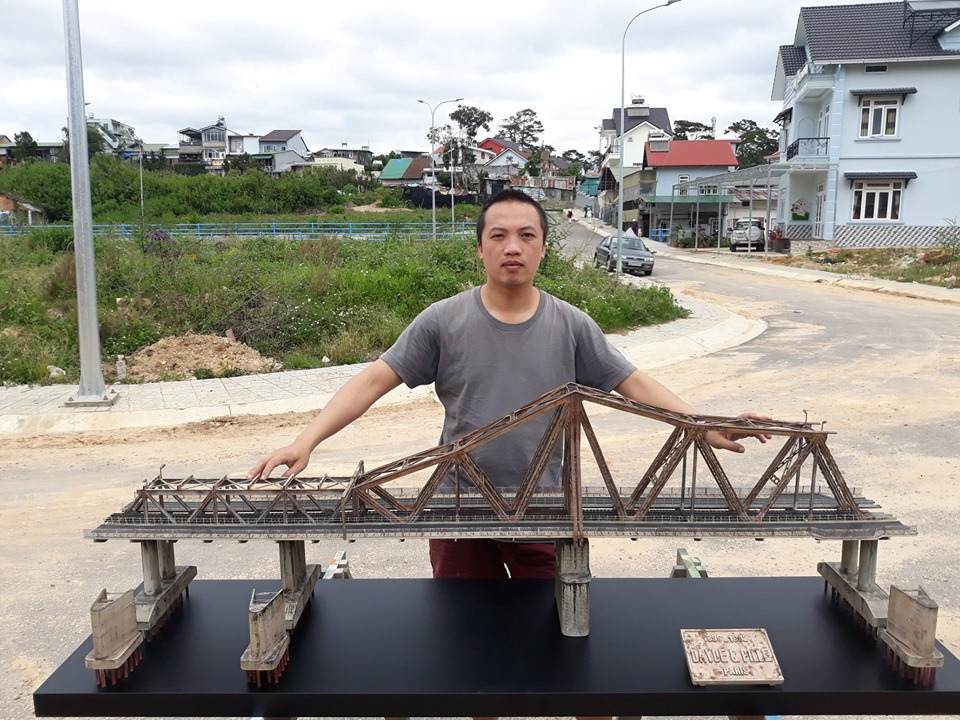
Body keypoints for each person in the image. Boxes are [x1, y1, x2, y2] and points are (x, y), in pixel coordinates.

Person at [248, 189, 768, 580]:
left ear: (544, 249)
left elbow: (632, 383)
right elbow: (371, 381)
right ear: (480, 249)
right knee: (465, 646)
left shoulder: (571, 325)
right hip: (459, 510)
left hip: (544, 511)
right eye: (498, 236)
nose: (512, 247)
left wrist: (701, 427)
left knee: (555, 639)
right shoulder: (442, 321)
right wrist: (304, 441)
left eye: (526, 236)